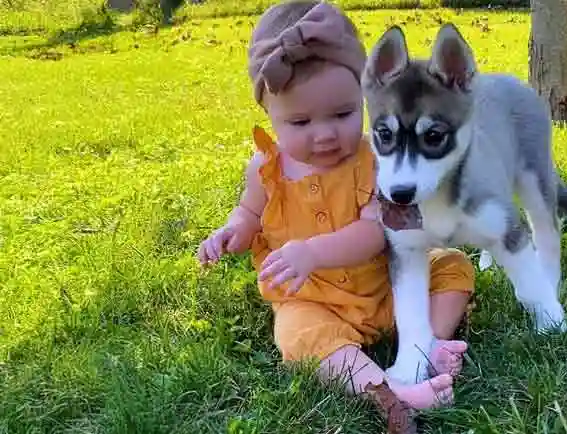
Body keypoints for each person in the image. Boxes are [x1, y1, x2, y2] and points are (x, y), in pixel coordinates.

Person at [197, 0, 475, 410]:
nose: (325, 134)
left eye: (344, 114)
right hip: (313, 299)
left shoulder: (372, 161)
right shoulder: (265, 168)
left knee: (452, 266)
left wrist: (312, 251)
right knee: (296, 333)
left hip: (385, 290)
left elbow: (373, 233)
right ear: (268, 112)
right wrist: (232, 232)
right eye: (301, 122)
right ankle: (387, 391)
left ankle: (425, 346)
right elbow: (249, 214)